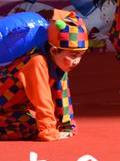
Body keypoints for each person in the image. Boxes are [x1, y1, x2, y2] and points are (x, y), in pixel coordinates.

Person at [0, 10, 88, 141]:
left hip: (11, 108)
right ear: (53, 51)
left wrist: (66, 125)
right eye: (73, 55)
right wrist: (48, 131)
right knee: (31, 128)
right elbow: (42, 99)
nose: (77, 61)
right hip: (4, 106)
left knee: (32, 125)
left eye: (81, 55)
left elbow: (62, 94)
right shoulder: (37, 62)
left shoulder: (60, 63)